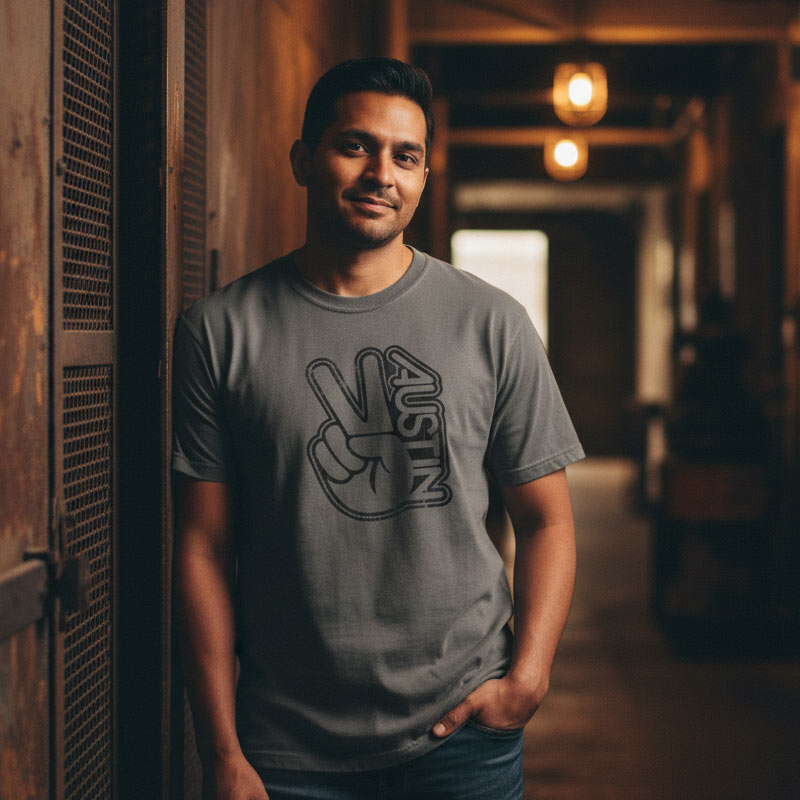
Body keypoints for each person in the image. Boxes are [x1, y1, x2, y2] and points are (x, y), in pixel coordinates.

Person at [172, 57, 584, 800]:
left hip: (462, 736)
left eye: (406, 155)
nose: (381, 175)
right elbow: (202, 545)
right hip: (285, 747)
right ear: (304, 160)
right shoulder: (221, 331)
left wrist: (528, 678)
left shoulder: (492, 324)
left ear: (423, 175)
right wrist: (221, 750)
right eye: (355, 145)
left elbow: (547, 519)